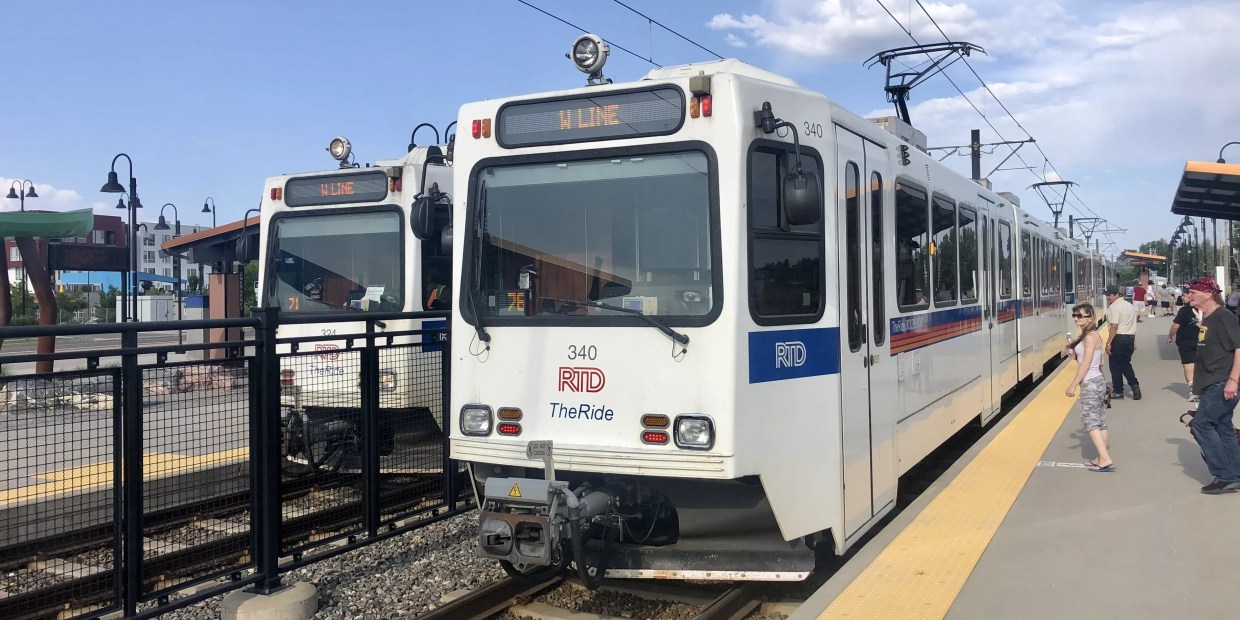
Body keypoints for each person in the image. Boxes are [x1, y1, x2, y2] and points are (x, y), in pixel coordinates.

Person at [1182, 276, 1240, 494]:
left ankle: (1224, 475)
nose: (1189, 296)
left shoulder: (1223, 316)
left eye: (1193, 293)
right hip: (1212, 382)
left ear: (1207, 294)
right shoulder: (1208, 317)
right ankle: (1235, 472)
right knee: (1222, 427)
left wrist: (1233, 381)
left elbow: (1239, 348)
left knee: (1202, 425)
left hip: (1222, 382)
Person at [1065, 303, 1113, 471]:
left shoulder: (1090, 337)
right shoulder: (1092, 335)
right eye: (1075, 315)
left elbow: (1085, 365)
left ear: (1090, 318)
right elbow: (1099, 361)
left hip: (1090, 383)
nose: (1077, 318)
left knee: (1091, 422)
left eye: (1080, 315)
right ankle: (1100, 457)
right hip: (1097, 381)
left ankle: (1105, 458)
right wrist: (1074, 354)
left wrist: (1072, 386)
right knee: (1100, 420)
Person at [1103, 284, 1141, 399]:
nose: (1107, 298)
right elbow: (1132, 325)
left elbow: (1114, 326)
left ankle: (1119, 391)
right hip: (1129, 338)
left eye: (1109, 295)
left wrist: (1108, 343)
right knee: (1125, 363)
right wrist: (1133, 341)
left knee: (1115, 366)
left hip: (1118, 339)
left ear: (1116, 294)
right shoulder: (1129, 306)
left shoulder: (1114, 307)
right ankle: (1133, 385)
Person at [1168, 293, 1201, 402]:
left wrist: (1170, 336)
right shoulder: (1205, 309)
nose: (1182, 297)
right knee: (1200, 364)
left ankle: (1193, 389)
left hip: (1185, 341)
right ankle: (1201, 387)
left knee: (1188, 364)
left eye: (1185, 295)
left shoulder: (1184, 310)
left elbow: (1175, 326)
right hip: (1202, 341)